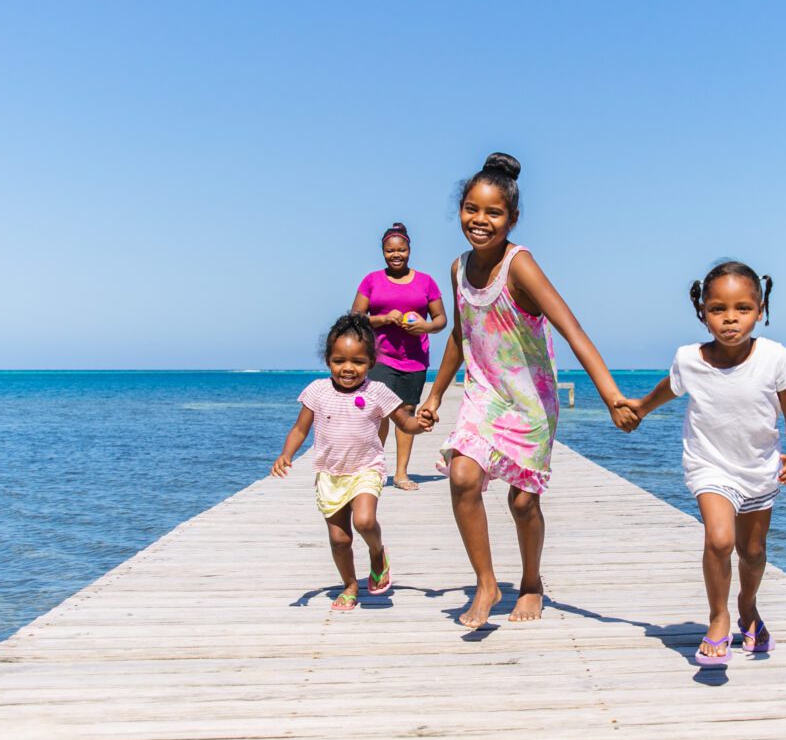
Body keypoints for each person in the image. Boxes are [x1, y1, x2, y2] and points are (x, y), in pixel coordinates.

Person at [411, 153, 639, 628]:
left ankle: (532, 582)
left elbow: (572, 329)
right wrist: (434, 395)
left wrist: (611, 394)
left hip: (531, 399)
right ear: (460, 210)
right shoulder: (457, 269)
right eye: (471, 209)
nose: (480, 220)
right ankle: (487, 582)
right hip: (484, 393)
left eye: (493, 213)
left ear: (512, 219)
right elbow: (460, 333)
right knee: (462, 476)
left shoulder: (521, 266)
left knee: (522, 501)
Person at [618, 260, 786, 665]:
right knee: (720, 539)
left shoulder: (774, 358)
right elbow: (668, 389)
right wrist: (642, 409)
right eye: (718, 309)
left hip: (759, 468)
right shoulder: (689, 359)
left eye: (742, 309)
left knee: (752, 551)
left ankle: (748, 607)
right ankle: (718, 618)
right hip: (710, 467)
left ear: (761, 311)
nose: (730, 319)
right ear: (702, 313)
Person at [272, 314, 432, 611]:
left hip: (366, 469)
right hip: (329, 474)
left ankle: (376, 552)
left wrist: (419, 424)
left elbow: (404, 423)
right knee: (339, 540)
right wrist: (286, 454)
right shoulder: (317, 391)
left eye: (358, 361)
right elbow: (300, 429)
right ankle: (349, 584)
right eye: (339, 361)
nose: (348, 368)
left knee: (364, 521)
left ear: (371, 362)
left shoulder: (378, 392)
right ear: (328, 361)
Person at [350, 222, 446, 492]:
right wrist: (381, 319)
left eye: (401, 250)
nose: (396, 255)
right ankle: (374, 470)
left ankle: (401, 473)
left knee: (406, 413)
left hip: (414, 360)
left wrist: (424, 327)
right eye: (390, 251)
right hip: (380, 358)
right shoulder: (371, 280)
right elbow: (355, 317)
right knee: (378, 415)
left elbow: (441, 320)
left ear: (409, 250)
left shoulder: (426, 281)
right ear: (383, 252)